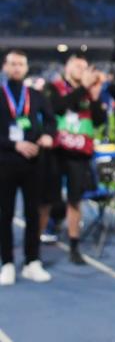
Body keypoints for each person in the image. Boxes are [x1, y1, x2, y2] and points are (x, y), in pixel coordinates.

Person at [0, 50, 56, 285]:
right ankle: (8, 263)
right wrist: (15, 144)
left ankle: (33, 261)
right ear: (4, 67)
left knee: (34, 213)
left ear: (26, 68)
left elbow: (51, 120)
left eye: (21, 64)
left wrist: (47, 136)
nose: (16, 68)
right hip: (6, 161)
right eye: (12, 64)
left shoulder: (35, 94)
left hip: (34, 162)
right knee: (5, 214)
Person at [47, 52, 107, 264]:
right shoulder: (53, 87)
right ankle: (44, 231)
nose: (81, 71)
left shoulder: (89, 93)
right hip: (55, 150)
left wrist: (96, 96)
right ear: (67, 68)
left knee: (75, 199)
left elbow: (100, 120)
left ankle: (74, 245)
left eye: (84, 67)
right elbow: (57, 107)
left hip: (79, 153)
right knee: (49, 199)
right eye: (77, 66)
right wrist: (83, 88)